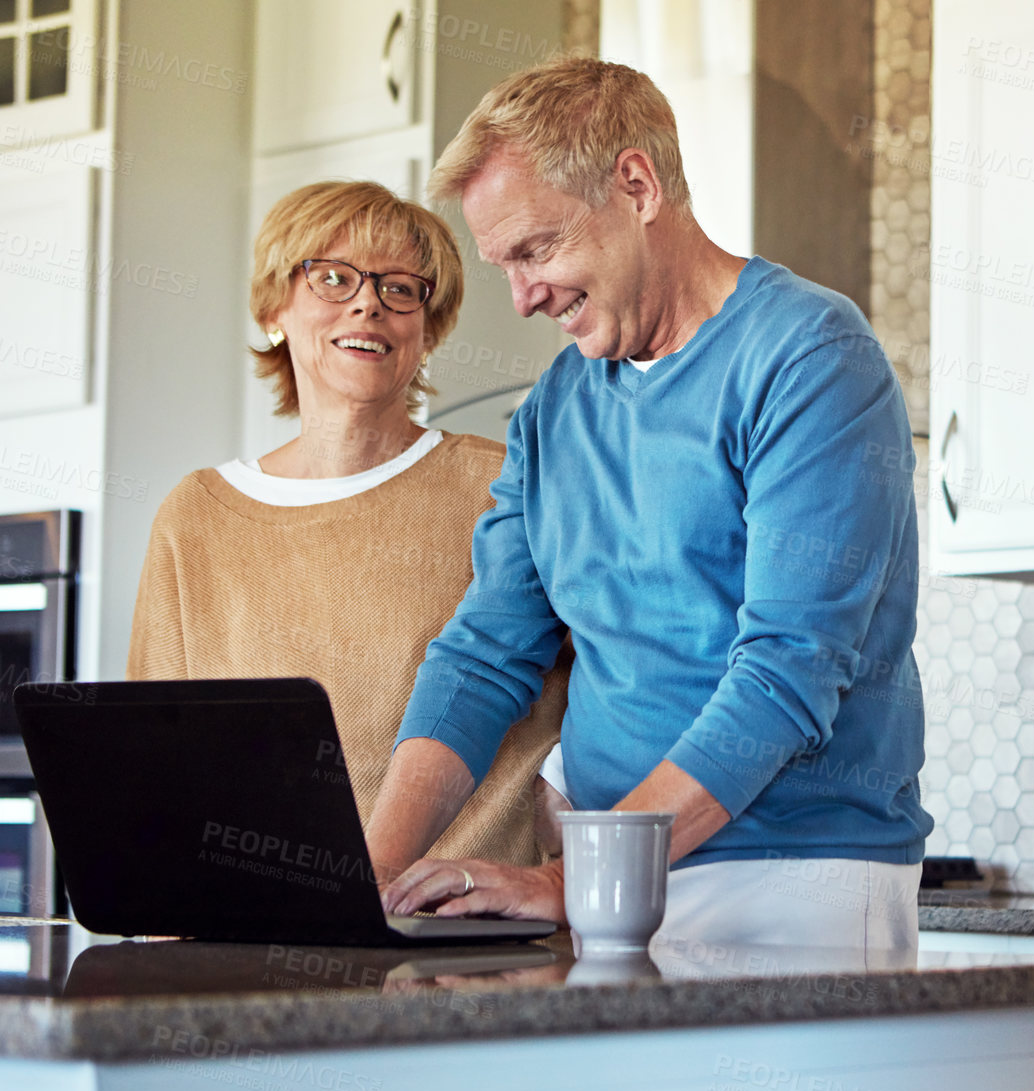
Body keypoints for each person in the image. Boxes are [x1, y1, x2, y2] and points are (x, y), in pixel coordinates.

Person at [367, 56, 932, 949]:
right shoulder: (556, 409)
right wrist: (365, 880)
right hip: (606, 886)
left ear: (636, 185)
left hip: (789, 885)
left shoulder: (811, 357)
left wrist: (574, 878)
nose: (520, 298)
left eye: (536, 250)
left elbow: (788, 673)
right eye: (503, 264)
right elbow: (483, 656)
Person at [129, 180, 568, 867]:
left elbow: (614, 691)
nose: (368, 302)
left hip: (468, 942)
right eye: (333, 279)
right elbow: (155, 767)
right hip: (248, 941)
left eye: (401, 289)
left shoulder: (505, 488)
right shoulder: (195, 517)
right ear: (276, 308)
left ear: (429, 332)